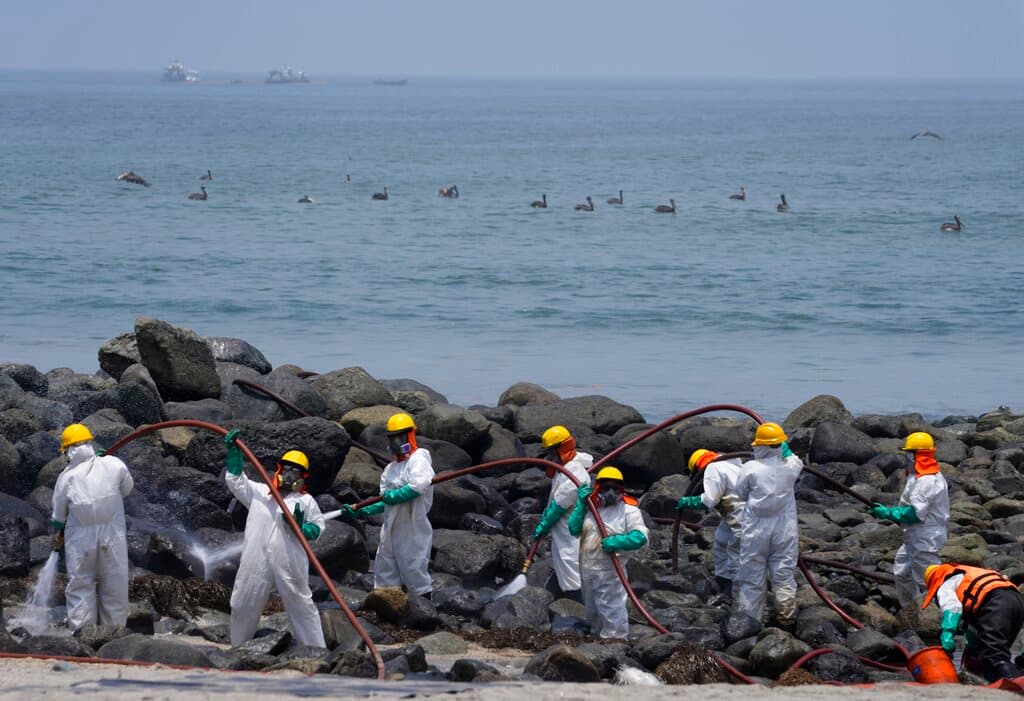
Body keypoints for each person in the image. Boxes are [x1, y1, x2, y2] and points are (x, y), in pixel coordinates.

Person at [224, 431, 326, 647]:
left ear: (302, 477)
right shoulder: (260, 492)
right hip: (256, 558)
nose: (289, 475)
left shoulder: (305, 501)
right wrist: (234, 455)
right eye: (286, 469)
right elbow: (236, 481)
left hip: (289, 560)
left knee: (300, 604)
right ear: (279, 469)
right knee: (243, 602)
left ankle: (316, 649)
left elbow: (318, 529)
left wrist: (300, 527)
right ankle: (237, 647)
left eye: (295, 472)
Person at [51, 423, 134, 631]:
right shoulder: (114, 465)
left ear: (68, 450)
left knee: (80, 583)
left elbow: (58, 517)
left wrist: (61, 528)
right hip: (112, 534)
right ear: (89, 442)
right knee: (114, 581)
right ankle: (114, 632)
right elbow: (127, 488)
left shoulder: (66, 477)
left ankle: (83, 633)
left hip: (79, 538)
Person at [347, 413, 434, 597]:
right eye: (393, 438)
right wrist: (363, 509)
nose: (396, 442)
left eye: (400, 437)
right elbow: (383, 500)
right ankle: (388, 605)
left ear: (410, 436)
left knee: (413, 566)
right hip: (390, 526)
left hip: (412, 524)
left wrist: (396, 495)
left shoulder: (419, 458)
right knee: (385, 564)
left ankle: (424, 609)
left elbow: (418, 486)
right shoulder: (391, 469)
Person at [733, 422, 804, 628]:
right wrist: (787, 451)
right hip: (785, 528)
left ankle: (750, 623)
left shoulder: (750, 469)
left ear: (760, 445)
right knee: (783, 574)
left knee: (752, 577)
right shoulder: (791, 468)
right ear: (780, 445)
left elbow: (740, 494)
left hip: (756, 529)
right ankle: (786, 619)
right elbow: (795, 459)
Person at [869, 431, 949, 607]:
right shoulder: (921, 476)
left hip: (925, 538)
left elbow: (915, 513)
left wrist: (888, 513)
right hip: (915, 535)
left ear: (916, 456)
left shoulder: (926, 481)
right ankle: (912, 609)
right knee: (902, 571)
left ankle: (941, 617)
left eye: (908, 454)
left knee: (927, 580)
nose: (905, 458)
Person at [567, 466, 648, 639]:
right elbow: (573, 529)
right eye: (605, 488)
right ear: (598, 488)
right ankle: (597, 641)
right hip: (587, 568)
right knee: (592, 610)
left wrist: (618, 542)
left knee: (611, 608)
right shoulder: (591, 510)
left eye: (615, 488)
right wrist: (581, 505)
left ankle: (615, 642)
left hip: (610, 571)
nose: (610, 492)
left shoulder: (629, 511)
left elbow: (640, 537)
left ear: (621, 490)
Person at [922, 563, 1024, 682]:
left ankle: (1016, 685)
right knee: (990, 655)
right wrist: (972, 650)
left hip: (996, 604)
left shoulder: (944, 584)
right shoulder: (969, 575)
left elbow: (953, 607)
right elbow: (976, 627)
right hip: (1017, 601)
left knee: (994, 656)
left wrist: (947, 637)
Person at [531, 425, 593, 601]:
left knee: (571, 562)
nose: (549, 457)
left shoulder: (576, 472)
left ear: (563, 448)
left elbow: (559, 505)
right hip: (564, 529)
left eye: (552, 451)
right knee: (567, 562)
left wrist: (544, 524)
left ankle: (579, 605)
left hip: (571, 530)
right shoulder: (564, 468)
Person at [675, 448, 745, 598]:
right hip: (735, 515)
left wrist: (690, 501)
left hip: (740, 517)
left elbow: (710, 499)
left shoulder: (713, 468)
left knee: (736, 554)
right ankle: (723, 579)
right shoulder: (731, 462)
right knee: (721, 539)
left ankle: (737, 595)